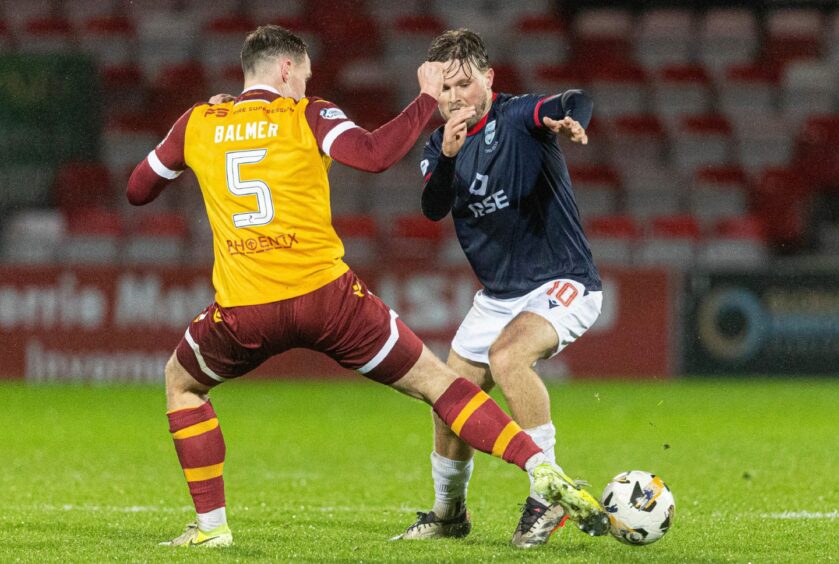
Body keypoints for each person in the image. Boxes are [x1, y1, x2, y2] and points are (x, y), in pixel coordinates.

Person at [126, 25, 602, 548]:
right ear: (287, 70)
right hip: (331, 300)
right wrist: (428, 116)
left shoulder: (198, 121)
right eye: (304, 76)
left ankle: (211, 529)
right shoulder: (307, 114)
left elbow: (138, 189)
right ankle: (530, 473)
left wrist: (197, 134)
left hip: (245, 310)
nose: (306, 85)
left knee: (182, 383)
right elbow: (379, 160)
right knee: (442, 387)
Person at [395, 29, 607, 548]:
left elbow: (568, 101)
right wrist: (446, 155)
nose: (455, 98)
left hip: (564, 281)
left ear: (489, 79)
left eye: (464, 84)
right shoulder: (437, 144)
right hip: (498, 297)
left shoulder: (517, 116)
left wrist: (572, 115)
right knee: (449, 400)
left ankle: (547, 494)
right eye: (444, 90)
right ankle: (449, 515)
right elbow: (432, 207)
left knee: (509, 356)